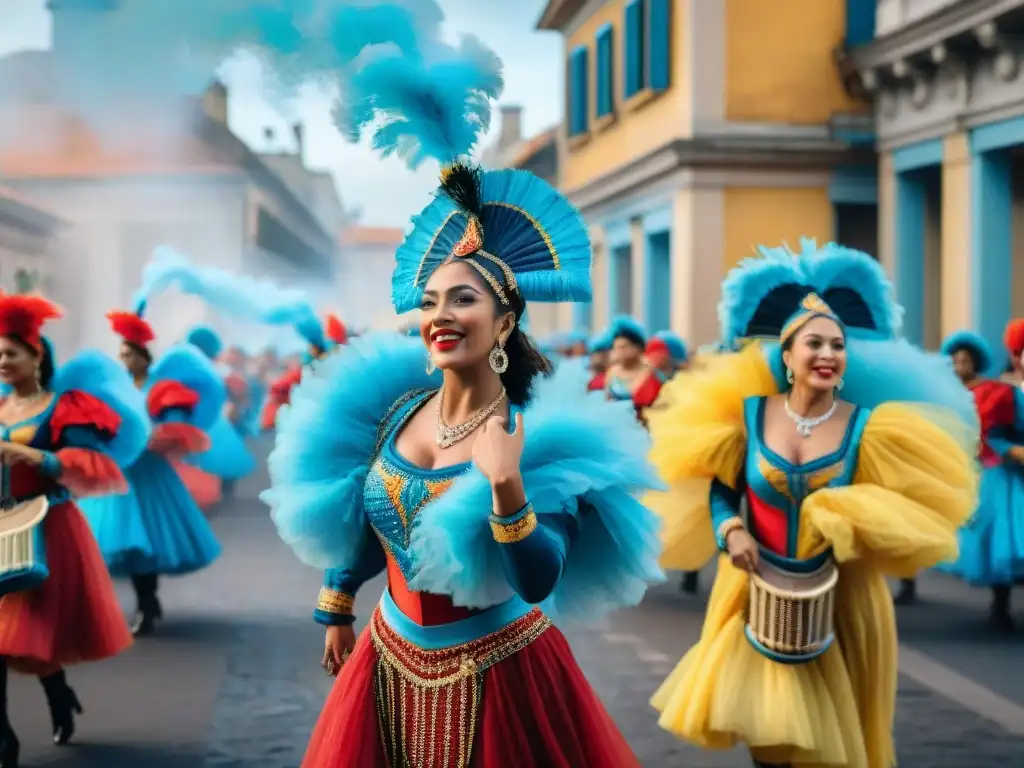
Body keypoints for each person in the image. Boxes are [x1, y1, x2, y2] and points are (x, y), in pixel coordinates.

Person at [262, 30, 665, 763]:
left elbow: (538, 578)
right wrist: (337, 601)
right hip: (384, 659)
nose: (442, 314)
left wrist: (507, 484)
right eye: (431, 300)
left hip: (502, 673)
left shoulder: (546, 437)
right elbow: (363, 511)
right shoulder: (388, 410)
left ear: (505, 320)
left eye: (466, 299)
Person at [646, 240, 979, 768]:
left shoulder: (872, 429)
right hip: (752, 593)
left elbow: (906, 511)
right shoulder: (747, 416)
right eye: (814, 344)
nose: (827, 354)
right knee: (769, 741)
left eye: (837, 345)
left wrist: (854, 520)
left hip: (844, 601)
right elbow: (724, 488)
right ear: (787, 355)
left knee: (834, 749)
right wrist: (731, 530)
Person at [0, 293, 149, 761]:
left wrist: (32, 455)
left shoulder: (64, 405)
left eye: (10, 353)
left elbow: (92, 467)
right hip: (2, 524)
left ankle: (57, 691)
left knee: (31, 629)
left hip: (46, 525)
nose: (1, 361)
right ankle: (4, 736)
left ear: (36, 354)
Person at [80, 308, 224, 636]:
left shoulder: (162, 389)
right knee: (126, 541)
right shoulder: (114, 389)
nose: (124, 359)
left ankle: (147, 602)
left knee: (148, 538)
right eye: (121, 354)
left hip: (148, 470)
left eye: (129, 354)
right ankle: (142, 603)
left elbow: (175, 427)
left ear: (144, 356)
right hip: (120, 472)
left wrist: (155, 434)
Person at [935, 331, 1024, 630]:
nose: (961, 364)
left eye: (966, 359)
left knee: (1005, 538)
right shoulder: (941, 396)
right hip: (961, 473)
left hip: (997, 472)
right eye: (956, 360)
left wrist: (1010, 449)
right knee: (984, 540)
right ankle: (1000, 605)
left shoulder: (999, 392)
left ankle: (1002, 605)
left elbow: (1008, 430)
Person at [603, 316, 664, 420]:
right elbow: (606, 402)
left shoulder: (652, 373)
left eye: (623, 347)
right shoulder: (612, 372)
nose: (619, 351)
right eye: (616, 347)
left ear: (638, 347)